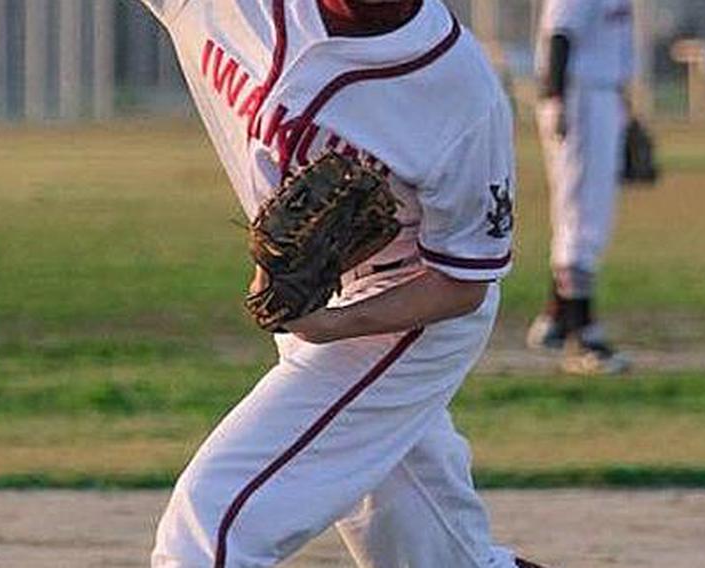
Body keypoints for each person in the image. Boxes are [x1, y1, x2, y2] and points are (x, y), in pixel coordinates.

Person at [138, 0, 545, 566]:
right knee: (429, 553)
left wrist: (333, 325)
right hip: (315, 297)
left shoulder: (460, 94)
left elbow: (461, 282)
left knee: (212, 529)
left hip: (406, 318)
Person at [528, 0, 635, 375]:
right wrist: (555, 100)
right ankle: (582, 335)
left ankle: (556, 319)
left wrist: (626, 112)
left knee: (590, 212)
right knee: (582, 213)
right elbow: (560, 35)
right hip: (580, 95)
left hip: (602, 95)